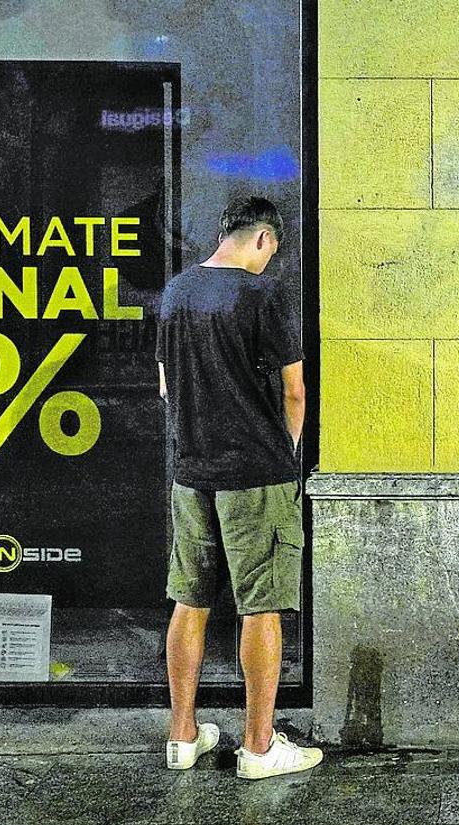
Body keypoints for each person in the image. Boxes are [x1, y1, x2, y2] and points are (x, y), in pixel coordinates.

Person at [157, 196, 322, 778]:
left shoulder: (175, 293)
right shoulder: (263, 296)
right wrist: (288, 452)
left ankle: (181, 737)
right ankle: (258, 746)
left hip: (192, 472)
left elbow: (167, 387)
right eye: (270, 251)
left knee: (190, 598)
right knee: (261, 604)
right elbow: (294, 392)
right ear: (262, 240)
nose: (268, 261)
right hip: (257, 473)